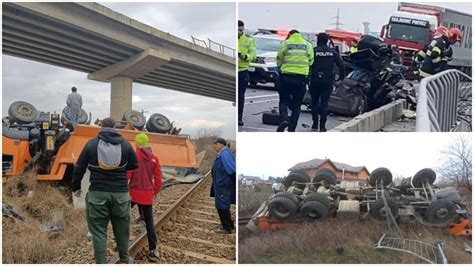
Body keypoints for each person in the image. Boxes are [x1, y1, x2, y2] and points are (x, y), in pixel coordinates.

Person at [72, 117, 138, 264]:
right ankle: (125, 259)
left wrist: (75, 187)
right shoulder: (126, 145)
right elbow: (134, 165)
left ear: (100, 127)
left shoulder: (91, 144)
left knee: (99, 233)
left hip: (97, 194)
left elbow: (79, 168)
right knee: (122, 231)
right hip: (121, 195)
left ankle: (101, 263)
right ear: (115, 127)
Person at [128, 133, 162, 262]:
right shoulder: (154, 158)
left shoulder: (134, 156)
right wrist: (155, 191)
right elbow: (158, 179)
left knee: (123, 217)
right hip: (147, 194)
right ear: (146, 143)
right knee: (149, 223)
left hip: (133, 194)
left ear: (137, 143)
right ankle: (153, 250)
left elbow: (128, 175)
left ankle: (120, 243)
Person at [276, 29, 314, 132]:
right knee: (297, 105)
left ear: (289, 35)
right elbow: (311, 60)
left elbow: (279, 58)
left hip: (286, 77)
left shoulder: (285, 43)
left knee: (283, 100)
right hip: (301, 78)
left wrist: (280, 67)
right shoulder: (307, 45)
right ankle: (292, 128)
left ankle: (283, 119)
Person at [310, 33, 345, 132]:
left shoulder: (314, 51)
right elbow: (341, 65)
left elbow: (309, 64)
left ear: (318, 40)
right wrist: (341, 78)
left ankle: (314, 123)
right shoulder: (332, 52)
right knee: (324, 103)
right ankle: (322, 126)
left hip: (315, 79)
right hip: (327, 80)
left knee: (315, 102)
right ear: (327, 41)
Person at [210, 138, 236, 234]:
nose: (214, 146)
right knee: (222, 204)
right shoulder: (223, 153)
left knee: (222, 205)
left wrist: (229, 185)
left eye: (215, 144)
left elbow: (232, 170)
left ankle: (227, 228)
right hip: (221, 184)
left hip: (223, 185)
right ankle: (229, 224)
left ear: (221, 144)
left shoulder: (224, 154)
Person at [238, 20, 256, 127]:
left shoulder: (249, 40)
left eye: (241, 30)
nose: (239, 32)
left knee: (240, 95)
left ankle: (239, 117)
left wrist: (245, 56)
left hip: (242, 71)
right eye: (237, 30)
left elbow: (253, 54)